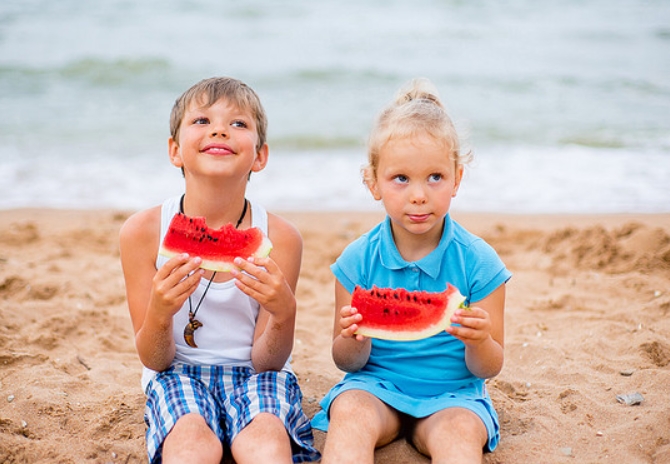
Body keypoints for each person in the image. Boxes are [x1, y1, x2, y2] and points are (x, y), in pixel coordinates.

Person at [119, 77, 320, 464]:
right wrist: (160, 313)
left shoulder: (281, 238)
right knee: (191, 444)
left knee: (265, 442)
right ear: (175, 150)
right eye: (201, 121)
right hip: (177, 373)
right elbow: (154, 359)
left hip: (260, 376)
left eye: (239, 124)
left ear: (260, 156)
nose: (219, 129)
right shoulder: (143, 233)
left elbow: (268, 361)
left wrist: (284, 312)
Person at [311, 78, 512, 463]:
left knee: (459, 436)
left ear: (457, 178)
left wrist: (480, 341)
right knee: (349, 413)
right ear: (373, 183)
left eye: (435, 177)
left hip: (453, 395)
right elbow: (346, 361)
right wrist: (354, 336)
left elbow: (489, 367)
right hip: (374, 387)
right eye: (400, 178)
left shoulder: (480, 262)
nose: (419, 194)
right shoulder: (356, 261)